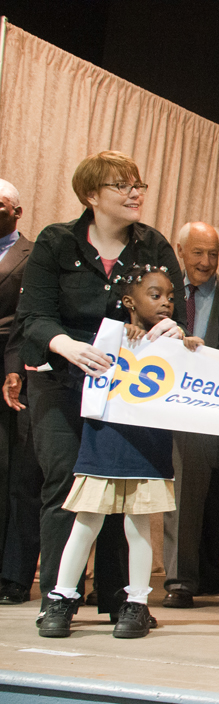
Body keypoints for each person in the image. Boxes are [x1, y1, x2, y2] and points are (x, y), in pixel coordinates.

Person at [17, 151, 187, 624]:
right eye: (122, 186)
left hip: (127, 393)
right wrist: (66, 345)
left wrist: (172, 330)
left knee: (124, 493)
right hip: (62, 382)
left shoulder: (153, 246)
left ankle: (120, 602)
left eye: (138, 185)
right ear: (91, 196)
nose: (135, 193)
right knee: (65, 489)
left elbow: (177, 315)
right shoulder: (56, 242)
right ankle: (59, 600)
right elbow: (33, 318)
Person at [39, 265, 203, 638]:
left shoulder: (174, 343)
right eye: (155, 295)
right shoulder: (108, 336)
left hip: (146, 449)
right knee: (85, 524)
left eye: (171, 297)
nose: (165, 303)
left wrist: (188, 347)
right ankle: (62, 599)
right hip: (104, 444)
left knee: (139, 527)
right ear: (129, 301)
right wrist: (119, 342)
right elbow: (83, 378)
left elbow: (192, 379)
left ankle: (137, 604)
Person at [161, 221, 219, 609]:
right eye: (198, 253)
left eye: (213, 254)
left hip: (207, 406)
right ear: (180, 250)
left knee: (188, 496)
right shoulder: (161, 287)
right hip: (156, 400)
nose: (206, 262)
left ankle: (180, 581)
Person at [0, 178, 42, 605]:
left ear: (17, 211)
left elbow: (26, 320)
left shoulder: (33, 255)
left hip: (17, 372)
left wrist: (14, 370)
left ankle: (15, 574)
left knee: (22, 478)